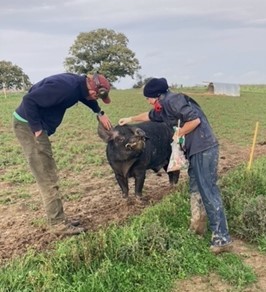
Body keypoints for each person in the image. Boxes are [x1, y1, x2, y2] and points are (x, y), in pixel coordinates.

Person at [119, 77, 232, 254]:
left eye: (148, 98)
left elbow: (195, 121)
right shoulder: (163, 107)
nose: (148, 101)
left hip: (204, 148)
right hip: (194, 150)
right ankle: (198, 227)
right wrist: (130, 119)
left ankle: (222, 238)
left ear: (157, 96)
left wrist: (178, 132)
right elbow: (150, 116)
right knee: (195, 188)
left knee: (208, 190)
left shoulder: (174, 100)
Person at [13, 72, 112, 235]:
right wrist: (37, 129)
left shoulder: (79, 85)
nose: (96, 100)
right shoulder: (65, 88)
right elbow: (29, 99)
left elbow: (83, 96)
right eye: (98, 97)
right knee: (47, 175)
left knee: (49, 173)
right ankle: (58, 224)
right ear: (93, 90)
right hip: (28, 126)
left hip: (34, 124)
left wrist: (99, 112)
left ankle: (59, 217)